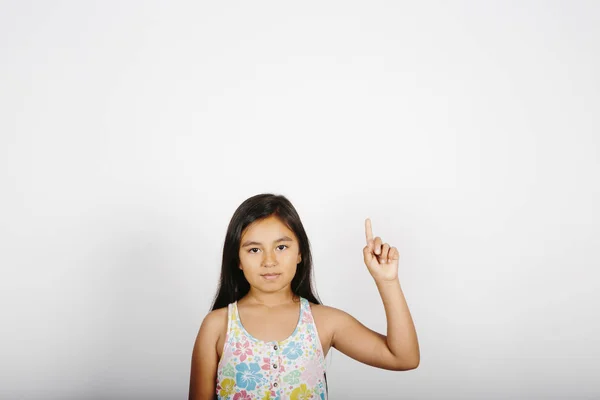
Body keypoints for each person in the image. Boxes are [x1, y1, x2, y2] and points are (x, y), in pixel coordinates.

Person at [188, 193, 420, 400]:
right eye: (254, 250)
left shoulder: (324, 322)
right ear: (237, 259)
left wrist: (387, 281)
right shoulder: (218, 326)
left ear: (300, 253)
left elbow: (403, 358)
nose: (269, 261)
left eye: (281, 247)